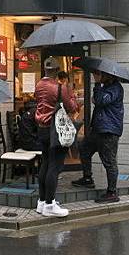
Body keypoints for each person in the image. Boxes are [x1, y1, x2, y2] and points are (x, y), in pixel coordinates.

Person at [34, 57, 79, 217]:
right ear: (57, 71)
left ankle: (41, 202)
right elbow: (72, 107)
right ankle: (50, 204)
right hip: (55, 131)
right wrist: (72, 96)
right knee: (54, 166)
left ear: (45, 70)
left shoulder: (39, 85)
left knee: (45, 164)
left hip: (42, 129)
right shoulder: (60, 88)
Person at [72, 71, 124, 204]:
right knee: (84, 149)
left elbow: (100, 101)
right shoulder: (106, 87)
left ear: (108, 75)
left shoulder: (115, 88)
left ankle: (112, 192)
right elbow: (97, 100)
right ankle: (87, 178)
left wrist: (96, 83)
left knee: (109, 161)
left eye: (100, 74)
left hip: (108, 130)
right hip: (98, 129)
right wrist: (97, 91)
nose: (97, 76)